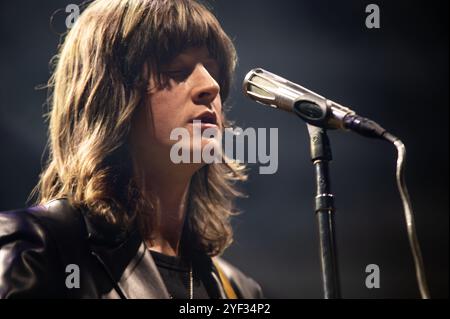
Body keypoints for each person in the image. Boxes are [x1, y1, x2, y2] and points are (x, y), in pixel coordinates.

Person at [0, 0, 263, 299]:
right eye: (177, 68)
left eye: (213, 71)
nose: (210, 86)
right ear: (109, 96)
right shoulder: (37, 252)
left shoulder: (240, 292)